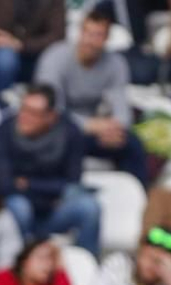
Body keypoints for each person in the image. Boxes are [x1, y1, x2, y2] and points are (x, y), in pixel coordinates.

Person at [33, 8, 147, 184]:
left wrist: (115, 129)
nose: (91, 41)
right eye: (88, 33)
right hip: (58, 129)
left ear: (106, 39)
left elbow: (121, 108)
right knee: (64, 138)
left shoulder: (116, 64)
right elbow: (51, 110)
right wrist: (89, 125)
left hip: (96, 131)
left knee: (132, 144)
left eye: (98, 35)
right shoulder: (55, 58)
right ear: (80, 32)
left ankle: (139, 199)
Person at [0, 85, 100, 256]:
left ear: (51, 117)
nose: (24, 117)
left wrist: (28, 184)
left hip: (54, 211)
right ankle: (19, 265)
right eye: (23, 109)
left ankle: (87, 266)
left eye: (33, 113)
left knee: (89, 207)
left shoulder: (70, 133)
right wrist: (49, 192)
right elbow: (3, 183)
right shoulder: (4, 131)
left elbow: (72, 183)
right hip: (17, 209)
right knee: (19, 206)